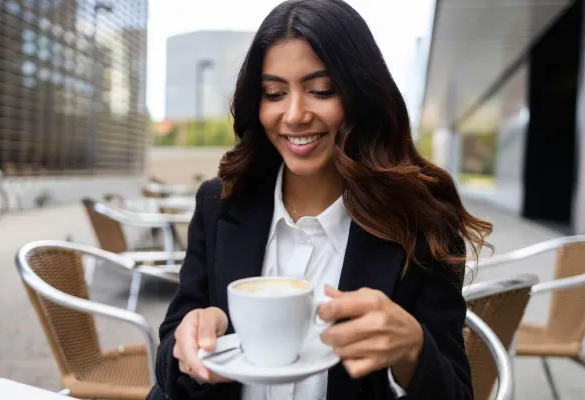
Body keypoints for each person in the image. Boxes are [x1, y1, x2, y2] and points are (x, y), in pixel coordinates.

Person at [150, 0, 492, 399]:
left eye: (321, 90)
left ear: (362, 94)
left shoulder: (422, 220)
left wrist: (412, 350)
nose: (294, 115)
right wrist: (189, 345)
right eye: (274, 93)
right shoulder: (220, 202)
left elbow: (456, 392)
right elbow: (169, 359)